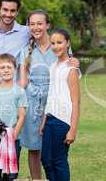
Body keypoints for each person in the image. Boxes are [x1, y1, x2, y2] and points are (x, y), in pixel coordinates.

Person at [19, 9, 79, 180]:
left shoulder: (57, 46)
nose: (36, 27)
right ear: (28, 26)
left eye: (40, 23)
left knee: (55, 155)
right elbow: (23, 82)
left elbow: (70, 71)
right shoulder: (26, 51)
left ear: (47, 25)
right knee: (35, 149)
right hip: (33, 105)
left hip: (56, 107)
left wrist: (76, 63)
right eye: (32, 24)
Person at [40, 28, 81, 181]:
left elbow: (76, 101)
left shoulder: (71, 69)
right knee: (46, 160)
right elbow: (50, 96)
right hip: (50, 118)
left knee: (58, 160)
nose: (56, 46)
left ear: (67, 43)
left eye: (59, 42)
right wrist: (44, 120)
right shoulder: (52, 66)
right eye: (53, 43)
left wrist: (73, 129)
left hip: (63, 120)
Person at [0, 53, 27, 181]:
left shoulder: (19, 91)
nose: (6, 70)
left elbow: (22, 115)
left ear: (15, 69)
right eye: (2, 67)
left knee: (11, 174)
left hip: (12, 137)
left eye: (9, 67)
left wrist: (14, 135)